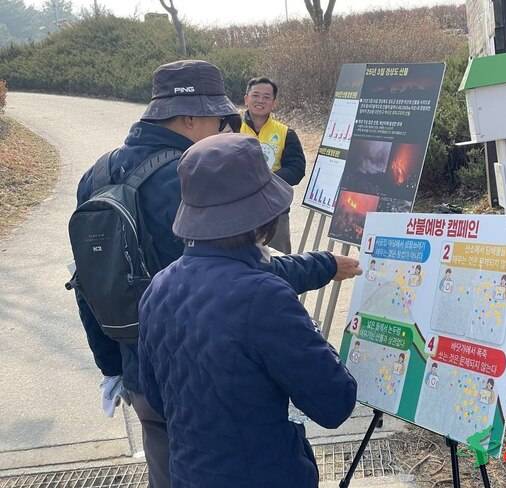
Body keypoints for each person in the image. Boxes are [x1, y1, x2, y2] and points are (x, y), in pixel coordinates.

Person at [73, 60, 360, 488]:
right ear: (189, 116)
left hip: (152, 376)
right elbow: (234, 281)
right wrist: (309, 302)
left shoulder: (98, 175)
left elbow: (87, 281)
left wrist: (111, 366)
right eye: (218, 120)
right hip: (232, 398)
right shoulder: (181, 176)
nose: (224, 128)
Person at [138, 134, 358, 487]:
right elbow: (335, 402)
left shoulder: (159, 288)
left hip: (188, 475)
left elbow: (157, 398)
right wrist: (313, 333)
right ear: (265, 215)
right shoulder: (266, 298)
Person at [241, 76, 306, 254]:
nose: (260, 101)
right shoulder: (231, 128)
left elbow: (296, 169)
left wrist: (266, 180)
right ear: (246, 99)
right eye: (255, 95)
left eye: (266, 97)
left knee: (279, 260)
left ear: (274, 103)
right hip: (238, 208)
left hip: (275, 210)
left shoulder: (285, 133)